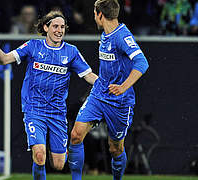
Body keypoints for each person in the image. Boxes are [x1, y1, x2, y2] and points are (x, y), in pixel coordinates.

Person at [0, 10, 98, 180]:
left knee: (59, 164)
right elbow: (4, 60)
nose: (59, 30)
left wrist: (108, 88)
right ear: (46, 27)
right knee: (39, 155)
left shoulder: (71, 52)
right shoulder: (33, 46)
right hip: (34, 109)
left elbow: (89, 75)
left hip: (57, 112)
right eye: (55, 26)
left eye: (62, 27)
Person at [68, 0, 149, 180]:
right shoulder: (106, 34)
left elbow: (142, 63)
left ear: (100, 15)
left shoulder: (122, 36)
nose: (94, 18)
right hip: (99, 94)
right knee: (75, 135)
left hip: (120, 102)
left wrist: (123, 87)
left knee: (115, 148)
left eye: (94, 14)